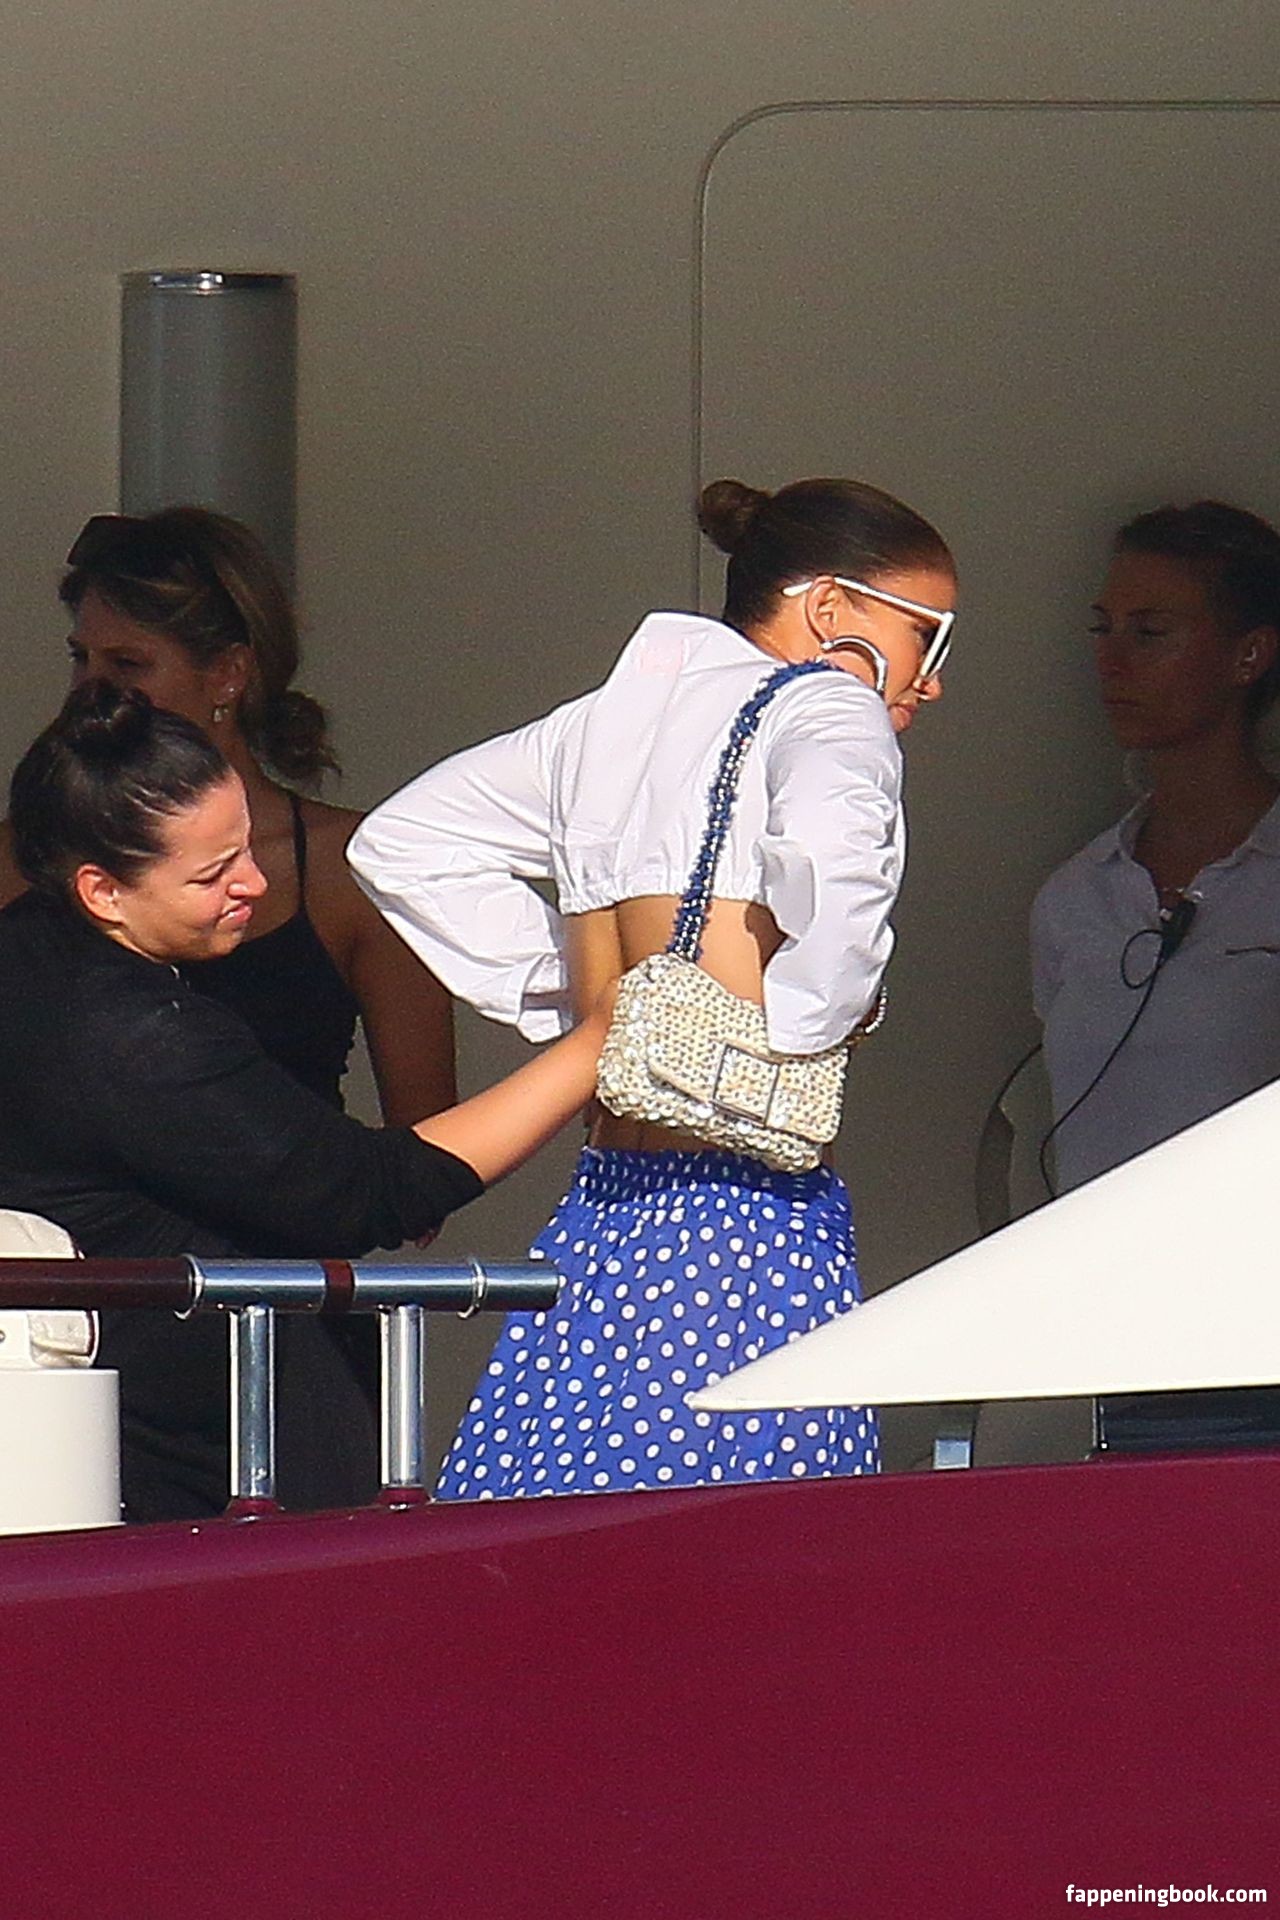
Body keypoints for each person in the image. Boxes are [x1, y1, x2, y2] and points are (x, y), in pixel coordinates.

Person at [350, 476, 957, 1498]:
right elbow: (840, 874)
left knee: (563, 1528)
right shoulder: (827, 704)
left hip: (601, 1211)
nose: (930, 682)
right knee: (753, 1547)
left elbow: (402, 844)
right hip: (743, 1217)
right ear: (828, 608)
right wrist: (807, 1025)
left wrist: (586, 1005)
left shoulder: (600, 728)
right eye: (924, 636)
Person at [0, 682, 613, 1521]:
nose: (253, 882)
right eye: (213, 874)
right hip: (199, 1471)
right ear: (102, 891)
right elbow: (366, 1191)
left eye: (247, 845)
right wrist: (596, 1045)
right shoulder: (133, 1034)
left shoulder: (31, 956)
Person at [0, 506, 456, 1122]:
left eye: (128, 664)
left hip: (292, 1184)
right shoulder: (26, 854)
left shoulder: (350, 869)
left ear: (227, 674)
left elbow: (428, 1132)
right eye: (82, 658)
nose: (91, 688)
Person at [1031, 499, 1280, 1450]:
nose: (1113, 661)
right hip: (1114, 1351)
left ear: (1248, 655)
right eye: (1103, 630)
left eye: (1151, 632)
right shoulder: (1076, 897)